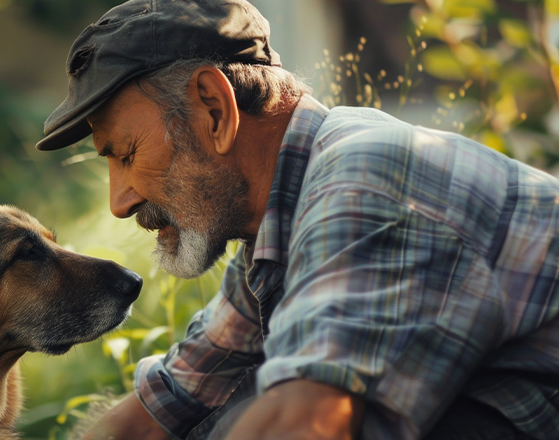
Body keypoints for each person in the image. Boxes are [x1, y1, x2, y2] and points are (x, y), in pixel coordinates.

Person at [34, 1, 559, 439]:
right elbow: (172, 397)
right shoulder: (278, 230)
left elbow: (308, 423)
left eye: (125, 154)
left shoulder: (366, 177)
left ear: (214, 110)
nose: (119, 202)